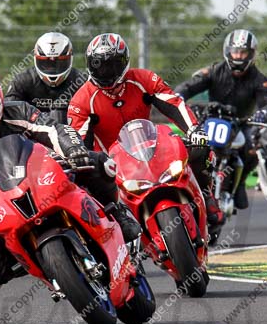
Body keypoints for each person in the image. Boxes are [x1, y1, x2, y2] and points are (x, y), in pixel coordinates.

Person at [0, 69, 141, 287]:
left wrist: (73, 150)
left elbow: (53, 130)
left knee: (99, 163)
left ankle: (115, 209)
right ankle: (41, 264)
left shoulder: (18, 110)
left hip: (44, 173)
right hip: (5, 200)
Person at [67, 33, 224, 227]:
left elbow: (173, 102)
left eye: (113, 65)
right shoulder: (81, 100)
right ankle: (118, 230)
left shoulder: (143, 78)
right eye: (100, 65)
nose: (107, 72)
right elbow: (78, 140)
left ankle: (207, 198)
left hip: (150, 148)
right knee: (85, 182)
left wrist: (193, 129)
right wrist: (86, 160)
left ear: (125, 62)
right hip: (111, 163)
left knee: (200, 147)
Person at [174, 29, 267, 210]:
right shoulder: (214, 71)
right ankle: (190, 186)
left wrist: (263, 113)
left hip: (241, 123)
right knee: (192, 146)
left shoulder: (259, 79)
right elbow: (189, 86)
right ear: (228, 51)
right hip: (211, 120)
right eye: (235, 52)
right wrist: (178, 96)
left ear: (251, 54)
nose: (238, 56)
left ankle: (240, 182)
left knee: (252, 151)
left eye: (242, 52)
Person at [5, 32, 87, 123]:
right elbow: (9, 111)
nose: (53, 68)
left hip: (72, 133)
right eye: (47, 64)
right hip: (31, 133)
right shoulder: (23, 81)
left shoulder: (82, 82)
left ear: (69, 58)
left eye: (59, 63)